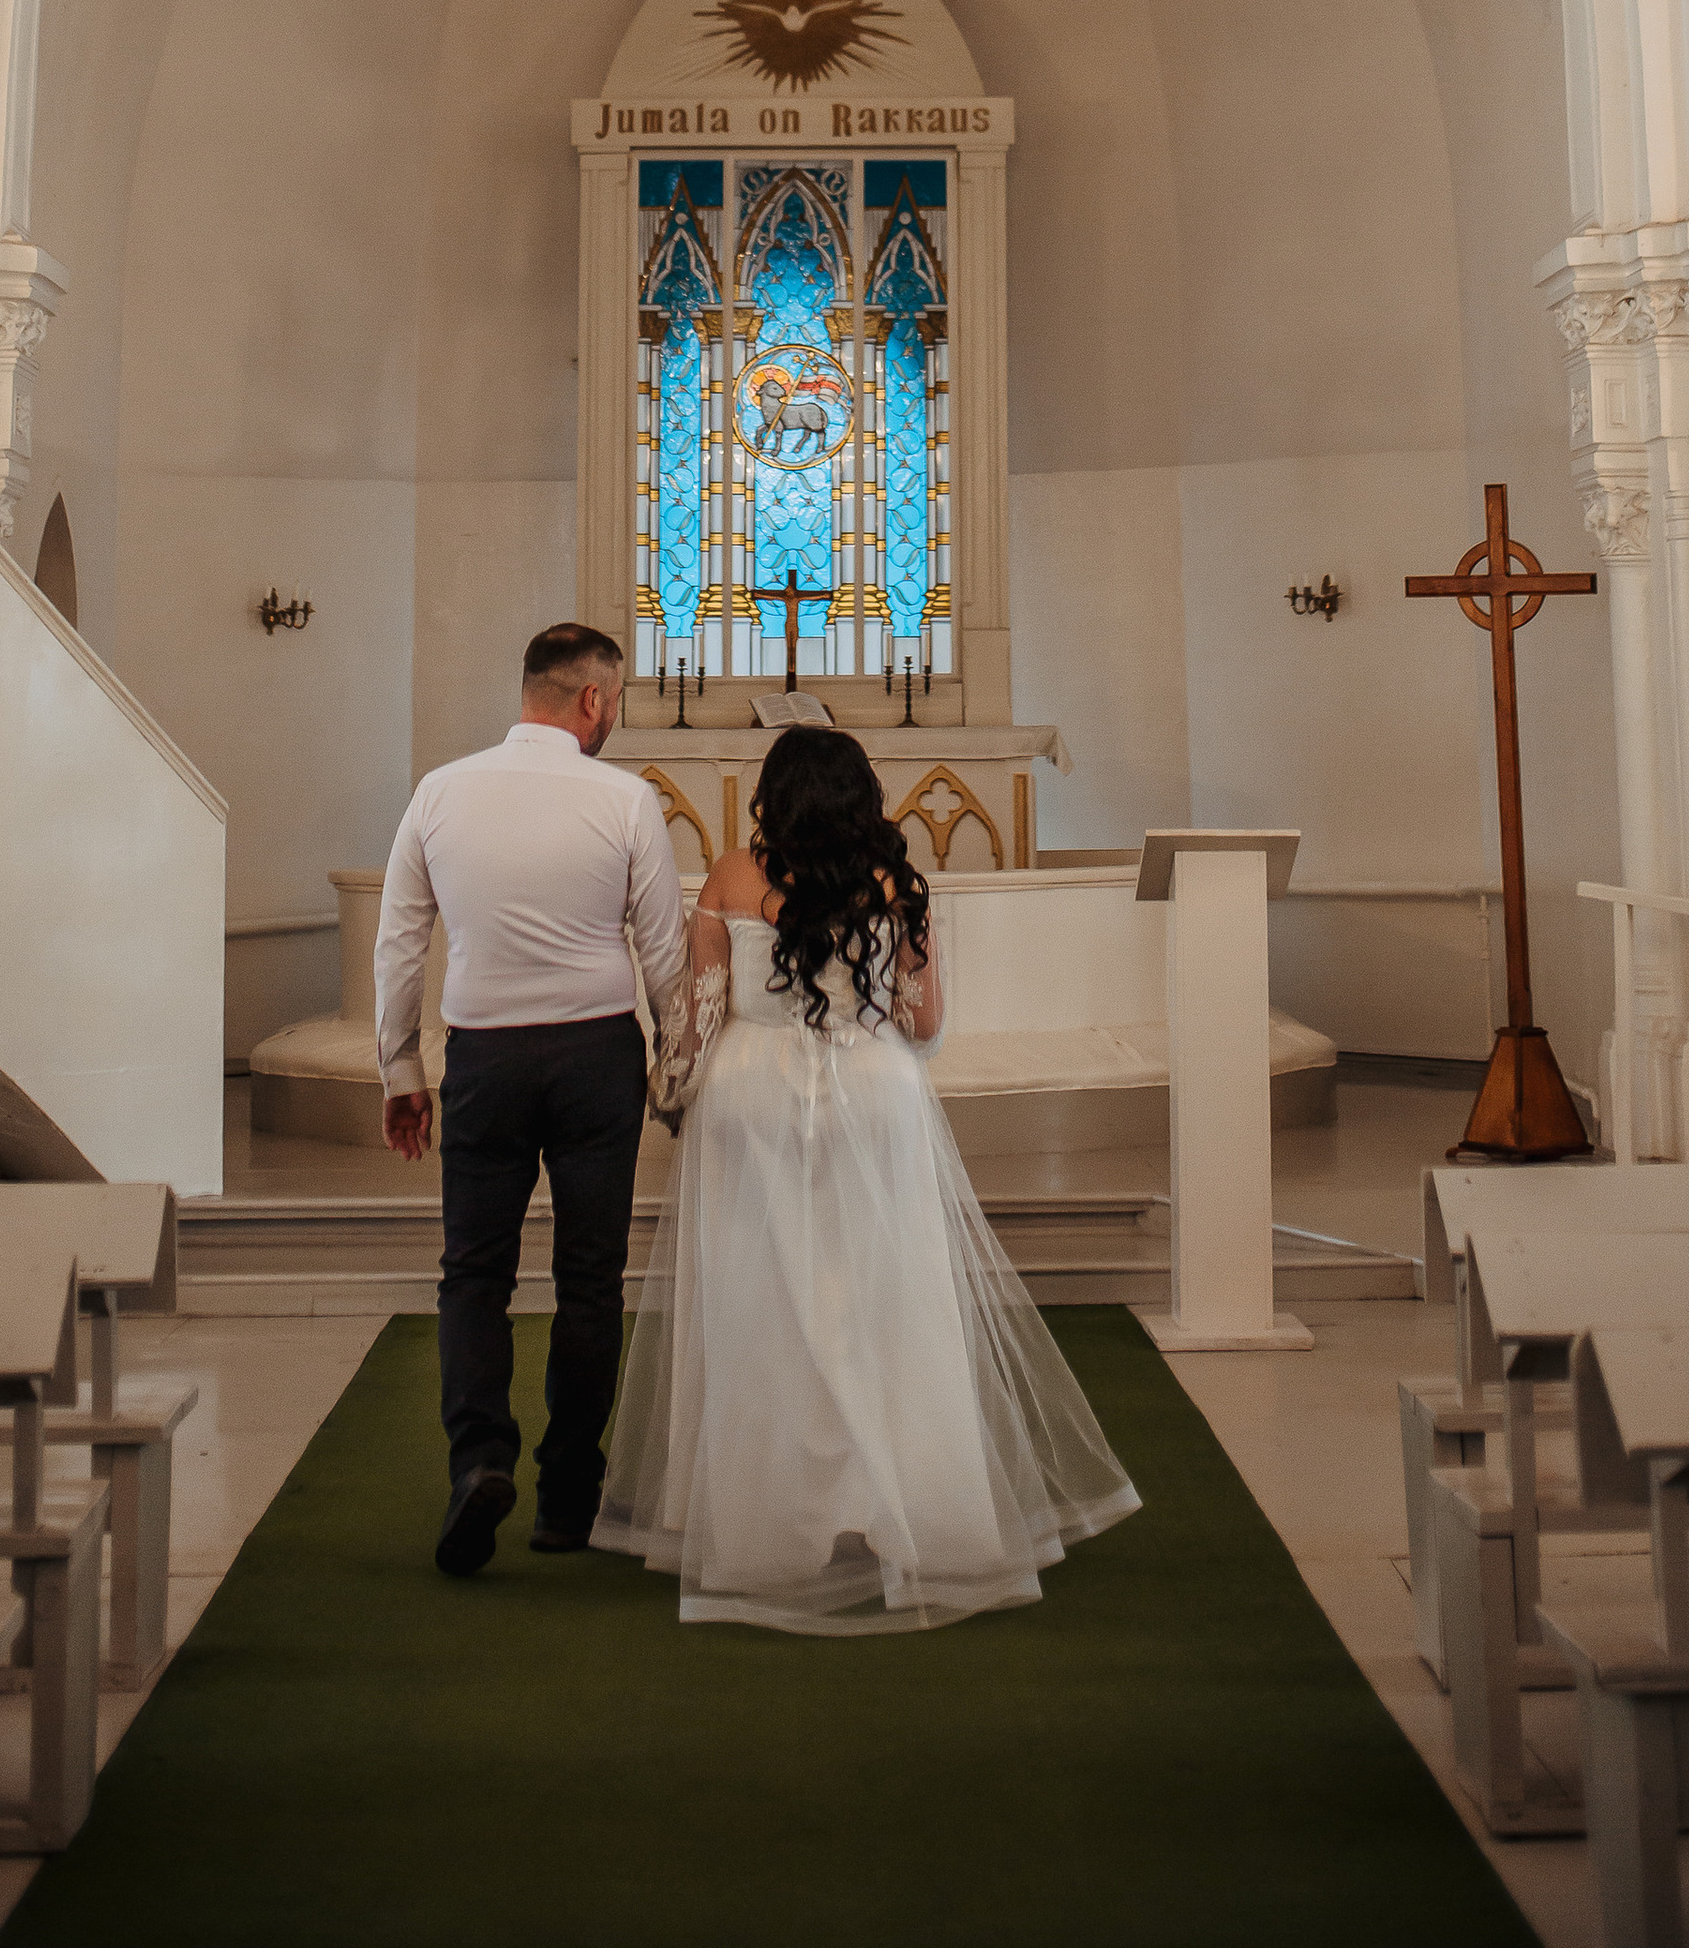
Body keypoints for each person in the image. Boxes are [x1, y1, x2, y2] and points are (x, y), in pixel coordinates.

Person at [594, 723, 1139, 1632]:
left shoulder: (730, 877)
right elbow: (924, 1025)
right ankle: (893, 1499)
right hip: (875, 1091)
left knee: (760, 1299)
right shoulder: (895, 882)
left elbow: (697, 1016)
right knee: (885, 1297)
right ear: (863, 798)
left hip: (751, 1096)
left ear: (771, 796)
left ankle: (762, 1510)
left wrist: (670, 1092)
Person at [374, 619, 685, 1576]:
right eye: (616, 701)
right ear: (593, 699)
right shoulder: (625, 799)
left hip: (486, 1058)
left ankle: (478, 1462)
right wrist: (679, 1068)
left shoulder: (439, 791)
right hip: (595, 1056)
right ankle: (567, 1499)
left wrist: (401, 1071)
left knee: (474, 1273)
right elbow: (664, 952)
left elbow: (400, 942)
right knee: (590, 1279)